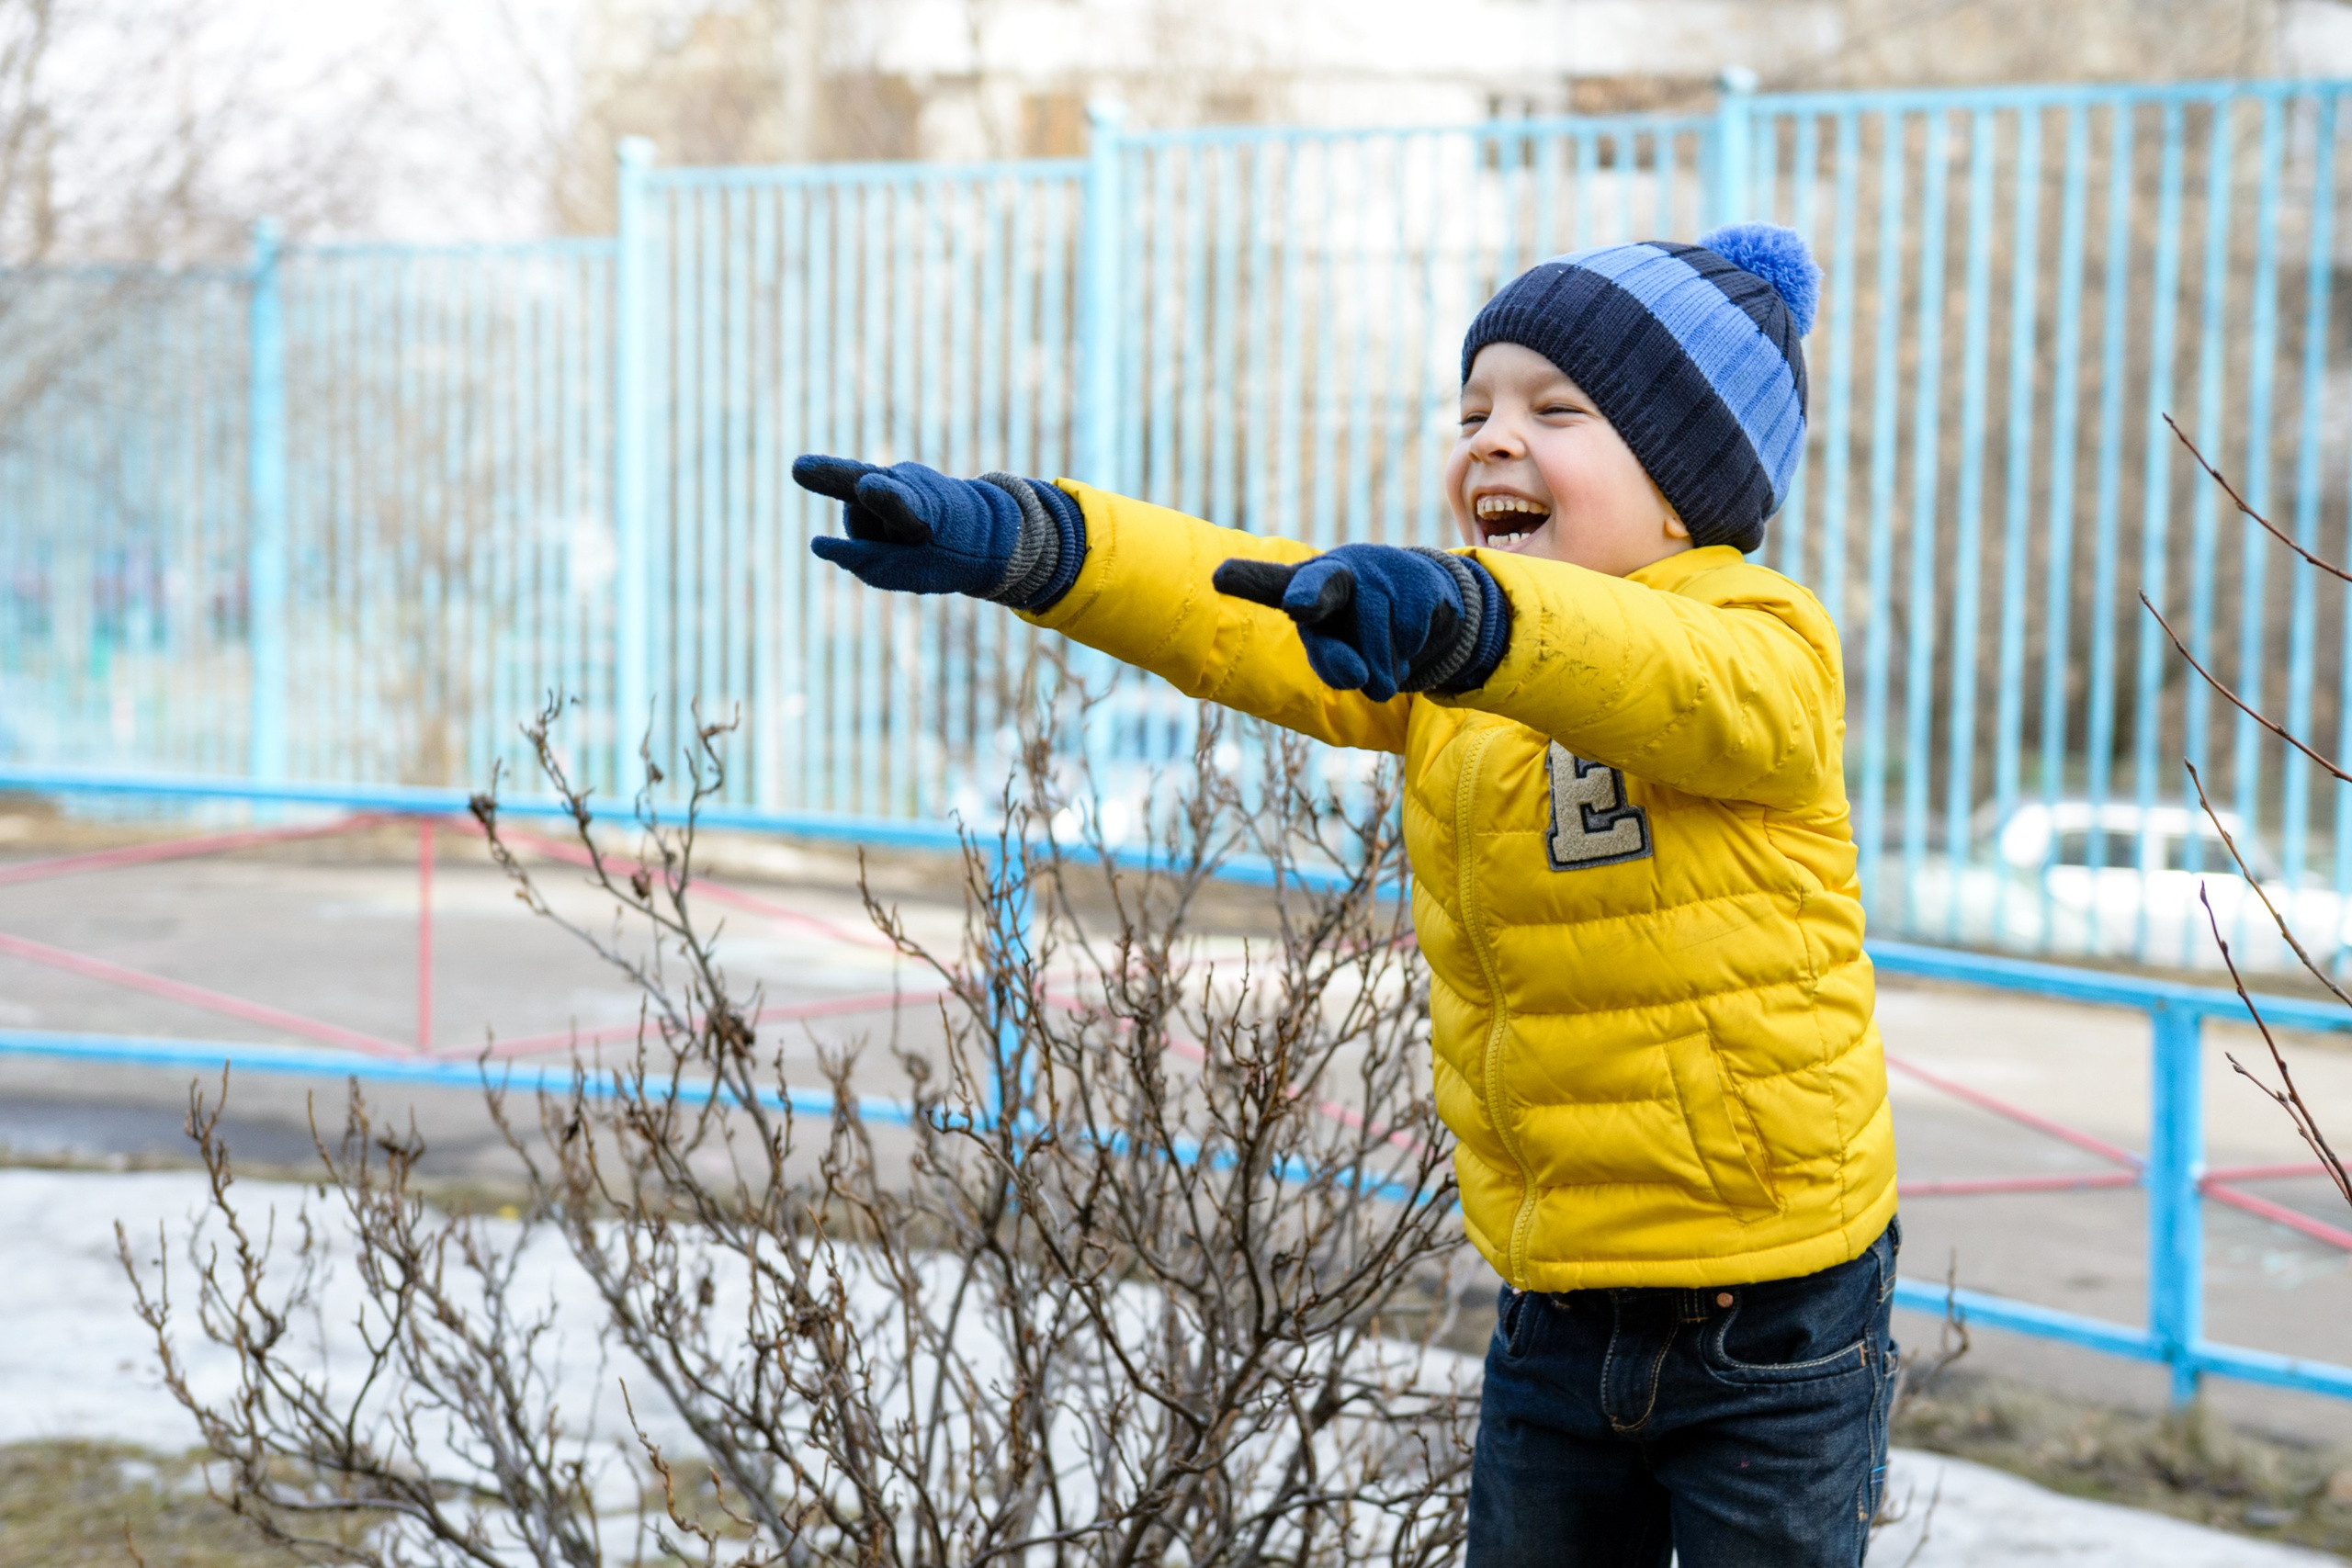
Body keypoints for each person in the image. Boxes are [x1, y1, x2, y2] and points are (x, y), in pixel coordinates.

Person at [790, 222, 1899, 1567]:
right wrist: (1025, 541)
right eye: (1474, 407)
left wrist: (1468, 621)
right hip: (1556, 1301)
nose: (1494, 438)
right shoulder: (1457, 668)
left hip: (1771, 1316)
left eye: (1557, 411)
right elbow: (1235, 612)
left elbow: (1640, 668)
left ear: (1685, 483)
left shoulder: (1764, 651)